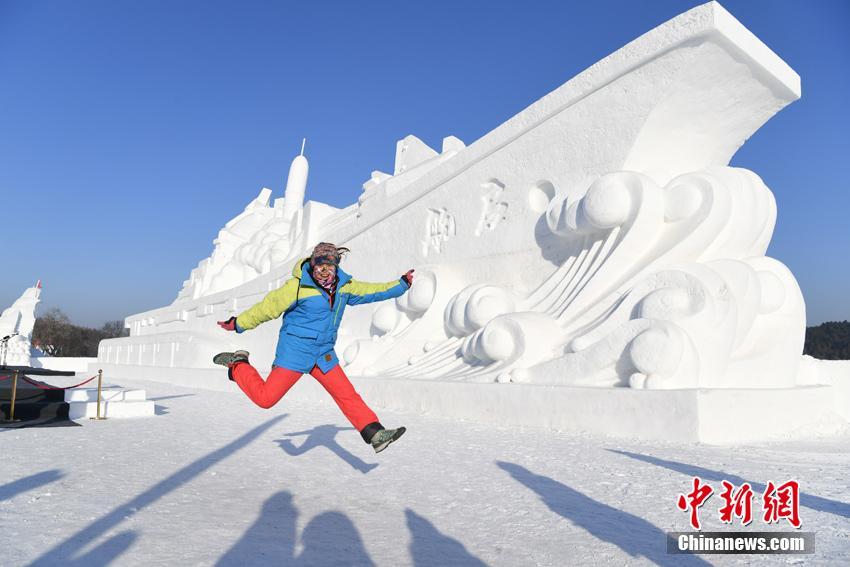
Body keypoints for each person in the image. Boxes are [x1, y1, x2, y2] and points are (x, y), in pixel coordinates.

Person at [214, 242, 414, 453]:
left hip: (323, 353)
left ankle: (375, 434)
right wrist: (238, 323)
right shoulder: (298, 287)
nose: (324, 270)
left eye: (329, 265)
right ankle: (238, 365)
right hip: (295, 352)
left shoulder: (344, 287)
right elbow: (267, 308)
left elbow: (373, 291)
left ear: (336, 266)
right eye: (319, 265)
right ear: (312, 263)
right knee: (265, 399)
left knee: (346, 394)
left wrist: (402, 284)